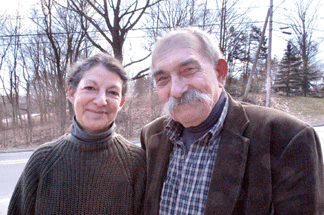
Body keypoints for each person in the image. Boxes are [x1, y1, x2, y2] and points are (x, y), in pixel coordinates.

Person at [140, 27, 324, 214]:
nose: (176, 90)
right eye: (163, 79)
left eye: (188, 70)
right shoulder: (152, 137)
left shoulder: (285, 138)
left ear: (220, 72)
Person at [8, 53, 146, 214]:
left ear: (121, 102)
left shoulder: (136, 162)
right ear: (72, 93)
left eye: (112, 92)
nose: (101, 100)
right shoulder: (43, 160)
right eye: (90, 88)